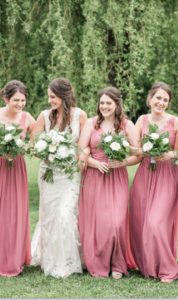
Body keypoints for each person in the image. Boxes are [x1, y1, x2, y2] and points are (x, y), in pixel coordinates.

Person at [78, 86, 140, 279]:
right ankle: (98, 262)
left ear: (117, 104)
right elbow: (80, 154)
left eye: (109, 103)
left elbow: (138, 155)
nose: (104, 106)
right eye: (102, 103)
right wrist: (96, 164)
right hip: (94, 177)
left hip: (117, 177)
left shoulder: (127, 126)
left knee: (117, 222)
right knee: (98, 222)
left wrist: (123, 162)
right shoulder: (91, 123)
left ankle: (118, 265)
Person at [30, 77, 87, 278]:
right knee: (51, 216)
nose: (49, 101)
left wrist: (82, 154)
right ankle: (51, 260)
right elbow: (32, 144)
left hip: (71, 174)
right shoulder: (44, 116)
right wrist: (47, 153)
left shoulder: (80, 116)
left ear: (64, 96)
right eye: (49, 97)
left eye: (52, 97)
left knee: (65, 215)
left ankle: (69, 261)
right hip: (49, 174)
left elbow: (84, 143)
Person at [0, 80, 35, 276]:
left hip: (16, 170)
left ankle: (11, 257)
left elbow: (36, 142)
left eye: (23, 100)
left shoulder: (27, 118)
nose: (20, 104)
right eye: (16, 100)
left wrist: (26, 147)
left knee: (13, 213)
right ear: (5, 99)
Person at [129, 82, 178, 283]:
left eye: (165, 100)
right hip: (145, 175)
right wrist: (143, 151)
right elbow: (133, 149)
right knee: (141, 222)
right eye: (158, 98)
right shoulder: (141, 120)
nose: (161, 102)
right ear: (149, 99)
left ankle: (168, 268)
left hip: (167, 176)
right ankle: (149, 265)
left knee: (156, 223)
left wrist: (169, 154)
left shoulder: (175, 122)